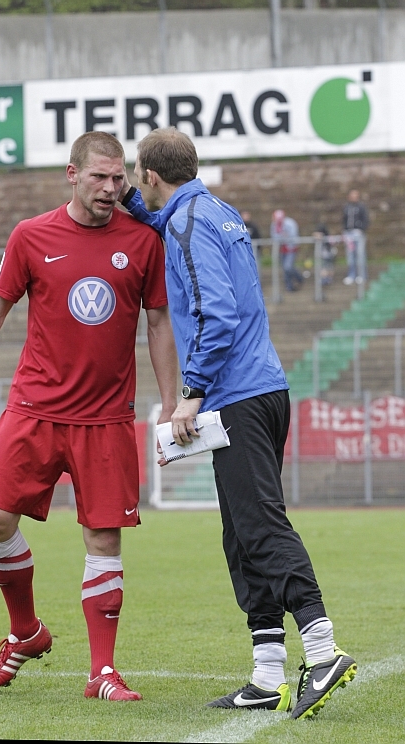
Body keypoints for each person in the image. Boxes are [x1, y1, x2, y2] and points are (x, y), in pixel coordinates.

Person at [0, 131, 178, 701]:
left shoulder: (143, 242)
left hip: (106, 418)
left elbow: (159, 324)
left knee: (103, 539)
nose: (111, 188)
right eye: (100, 177)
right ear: (72, 173)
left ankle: (101, 672)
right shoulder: (31, 236)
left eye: (118, 178)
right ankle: (26, 631)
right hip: (35, 409)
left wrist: (171, 404)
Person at [119, 127, 357, 720]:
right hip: (264, 388)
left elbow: (216, 313)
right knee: (242, 531)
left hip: (237, 394)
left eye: (136, 180)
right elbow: (169, 227)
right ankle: (268, 675)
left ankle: (322, 649)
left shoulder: (188, 221)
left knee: (262, 527)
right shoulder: (213, 209)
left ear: (151, 175)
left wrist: (189, 395)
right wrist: (127, 202)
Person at [270, 209, 304, 292]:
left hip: (291, 248)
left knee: (288, 267)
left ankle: (299, 278)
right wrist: (282, 237)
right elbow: (274, 236)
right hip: (281, 249)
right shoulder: (274, 225)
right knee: (285, 268)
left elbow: (293, 235)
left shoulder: (290, 223)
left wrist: (283, 237)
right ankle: (289, 285)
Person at [342, 189, 369, 285]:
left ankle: (362, 275)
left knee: (360, 254)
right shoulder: (347, 207)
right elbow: (344, 220)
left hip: (358, 233)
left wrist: (361, 229)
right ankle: (351, 274)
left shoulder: (361, 207)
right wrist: (344, 230)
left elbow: (366, 220)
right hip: (348, 233)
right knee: (350, 255)